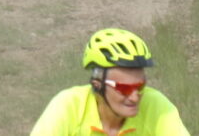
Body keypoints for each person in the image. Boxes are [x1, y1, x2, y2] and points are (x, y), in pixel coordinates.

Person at [29, 29, 190, 136]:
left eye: (140, 86)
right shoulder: (69, 105)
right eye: (124, 88)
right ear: (97, 84)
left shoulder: (156, 106)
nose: (135, 97)